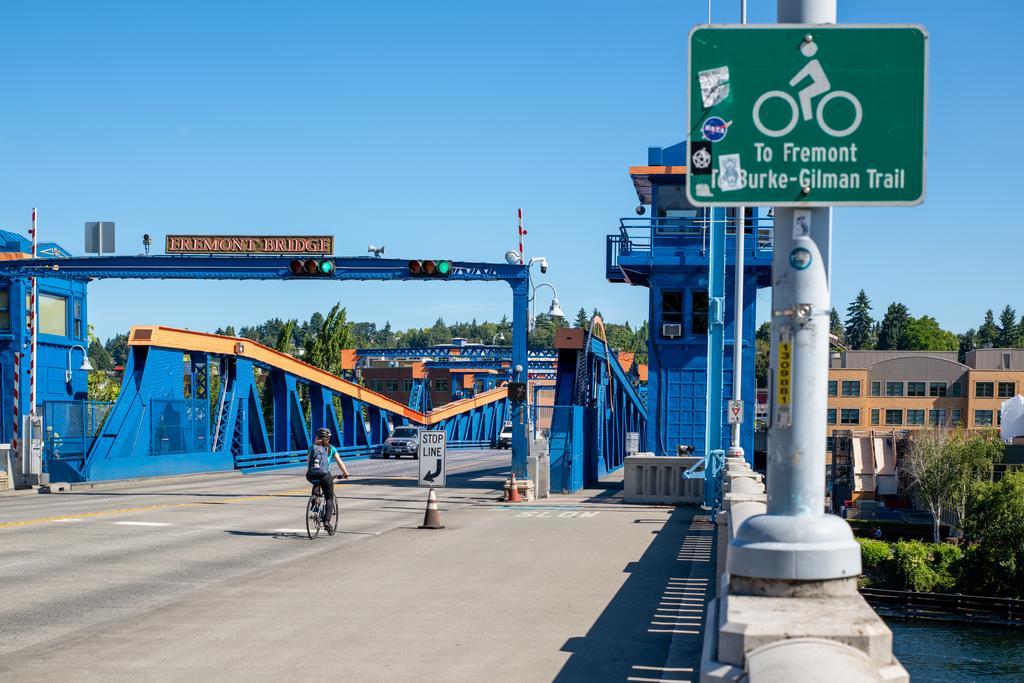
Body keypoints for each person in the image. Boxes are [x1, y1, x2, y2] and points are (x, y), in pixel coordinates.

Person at [306, 427, 350, 533]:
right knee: (329, 498)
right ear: (328, 438)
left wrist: (313, 472)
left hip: (311, 474)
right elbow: (340, 463)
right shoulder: (331, 448)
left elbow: (308, 463)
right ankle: (326, 522)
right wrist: (345, 474)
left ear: (317, 437)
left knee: (316, 483)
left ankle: (315, 499)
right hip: (325, 475)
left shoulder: (312, 447)